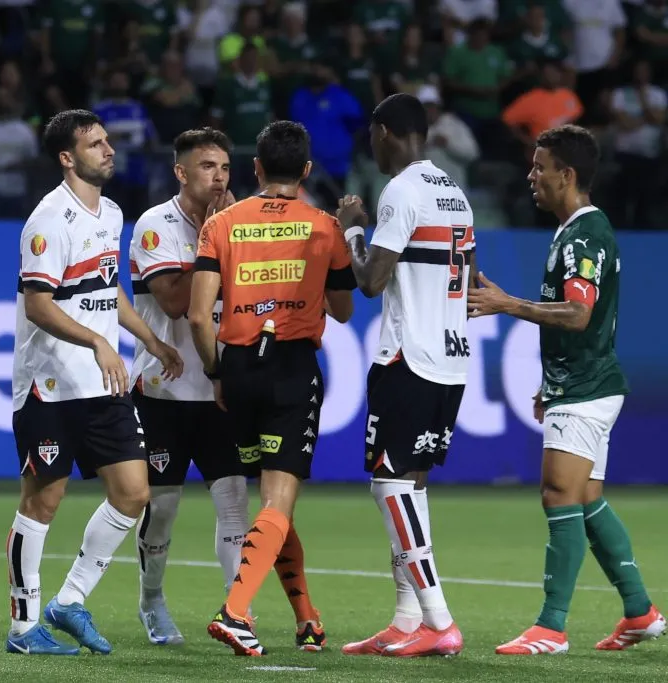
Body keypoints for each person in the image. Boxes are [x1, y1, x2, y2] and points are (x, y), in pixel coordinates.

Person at [467, 124, 665, 655]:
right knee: (587, 499)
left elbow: (577, 315)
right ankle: (640, 611)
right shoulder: (575, 231)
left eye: (540, 167)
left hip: (586, 387)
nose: (532, 176)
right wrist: (548, 379)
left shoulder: (583, 235)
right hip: (583, 381)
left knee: (558, 493)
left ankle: (551, 627)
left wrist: (510, 305)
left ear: (567, 174)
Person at [5, 109, 183, 657]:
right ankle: (23, 627)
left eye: (107, 141)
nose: (109, 149)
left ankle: (70, 600)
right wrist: (98, 342)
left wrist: (149, 339)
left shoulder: (110, 212)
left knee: (133, 494)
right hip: (51, 386)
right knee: (42, 503)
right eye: (95, 143)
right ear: (67, 158)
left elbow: (106, 290)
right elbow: (38, 306)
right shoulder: (47, 221)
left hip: (103, 385)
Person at [190, 120, 357, 656]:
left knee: (272, 506)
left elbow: (198, 317)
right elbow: (345, 309)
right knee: (278, 501)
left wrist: (218, 374)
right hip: (291, 369)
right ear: (307, 171)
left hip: (236, 369)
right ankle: (235, 612)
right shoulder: (324, 226)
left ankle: (307, 616)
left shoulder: (221, 224)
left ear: (255, 168)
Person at [335, 92, 474, 658]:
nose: (370, 144)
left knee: (390, 484)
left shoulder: (401, 191)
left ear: (387, 131)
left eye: (372, 134)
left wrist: (351, 230)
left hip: (408, 357)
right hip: (451, 355)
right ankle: (406, 618)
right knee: (411, 484)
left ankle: (438, 620)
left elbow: (370, 282)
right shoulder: (454, 192)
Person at [128, 127, 252, 647]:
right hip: (165, 391)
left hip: (221, 390)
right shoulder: (156, 225)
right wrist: (214, 235)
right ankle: (152, 600)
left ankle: (236, 611)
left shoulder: (241, 223)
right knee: (164, 507)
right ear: (181, 172)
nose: (219, 177)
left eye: (224, 167)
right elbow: (178, 302)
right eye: (207, 167)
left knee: (234, 503)